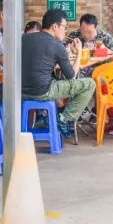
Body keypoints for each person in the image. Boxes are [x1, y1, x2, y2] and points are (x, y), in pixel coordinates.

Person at [21, 9, 96, 139]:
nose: (65, 31)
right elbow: (71, 75)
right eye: (64, 27)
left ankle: (51, 118)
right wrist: (78, 52)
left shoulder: (23, 39)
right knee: (89, 83)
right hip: (42, 91)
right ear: (55, 26)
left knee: (54, 80)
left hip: (20, 91)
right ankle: (64, 119)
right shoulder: (56, 44)